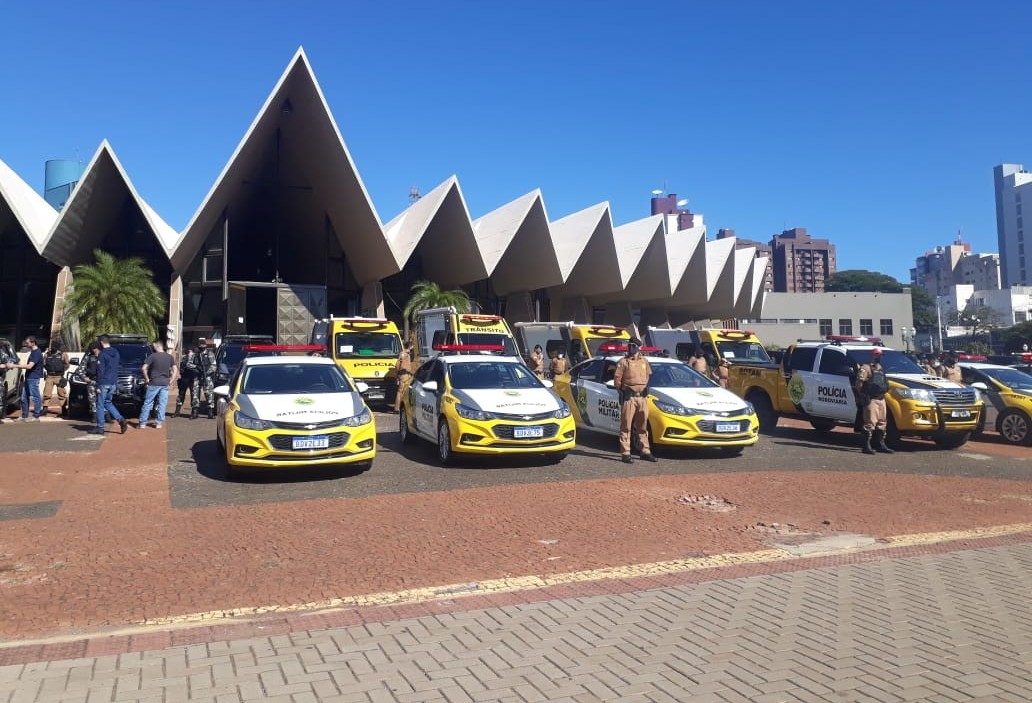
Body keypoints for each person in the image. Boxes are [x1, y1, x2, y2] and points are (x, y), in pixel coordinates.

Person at [613, 339, 657, 464]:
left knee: (642, 426)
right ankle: (626, 453)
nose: (631, 348)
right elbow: (617, 379)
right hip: (630, 397)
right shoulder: (623, 362)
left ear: (639, 347)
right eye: (630, 345)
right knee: (626, 425)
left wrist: (645, 387)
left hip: (642, 398)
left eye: (634, 346)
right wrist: (621, 391)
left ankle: (645, 451)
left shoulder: (644, 361)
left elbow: (648, 376)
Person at [855, 347, 893, 455]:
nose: (879, 357)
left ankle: (880, 444)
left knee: (882, 422)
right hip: (871, 398)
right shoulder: (866, 368)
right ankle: (866, 446)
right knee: (870, 422)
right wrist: (862, 395)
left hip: (881, 399)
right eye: (877, 355)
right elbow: (859, 382)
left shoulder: (880, 368)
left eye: (880, 355)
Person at [137, 339, 177, 429]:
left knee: (148, 402)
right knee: (162, 403)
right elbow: (175, 370)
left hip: (154, 382)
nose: (153, 347)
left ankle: (143, 422)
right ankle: (159, 423)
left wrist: (147, 379)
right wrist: (171, 380)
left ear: (158, 346)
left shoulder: (152, 356)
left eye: (154, 346)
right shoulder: (169, 357)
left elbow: (143, 368)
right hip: (165, 383)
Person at [95, 334, 128, 435]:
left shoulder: (102, 354)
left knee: (100, 404)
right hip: (113, 382)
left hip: (104, 382)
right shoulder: (116, 353)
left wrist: (98, 385)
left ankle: (100, 427)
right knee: (108, 402)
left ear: (101, 343)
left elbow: (100, 371)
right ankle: (120, 419)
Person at [7, 336, 45, 421]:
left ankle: (36, 416)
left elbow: (29, 366)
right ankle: (24, 416)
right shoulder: (33, 352)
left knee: (35, 397)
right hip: (29, 377)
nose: (26, 344)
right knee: (24, 397)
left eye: (28, 343)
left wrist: (14, 365)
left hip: (33, 378)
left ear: (33, 343)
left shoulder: (36, 353)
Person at [191, 339, 217, 419]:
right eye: (200, 346)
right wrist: (197, 368)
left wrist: (206, 372)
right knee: (195, 394)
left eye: (203, 346)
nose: (201, 347)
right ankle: (195, 412)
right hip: (197, 377)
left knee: (209, 394)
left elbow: (214, 366)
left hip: (207, 377)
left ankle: (210, 412)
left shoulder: (210, 354)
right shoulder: (195, 355)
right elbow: (189, 364)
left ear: (205, 346)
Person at [42, 341, 69, 415]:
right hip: (49, 376)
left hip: (59, 376)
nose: (53, 347)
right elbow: (44, 364)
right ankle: (45, 408)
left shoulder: (63, 354)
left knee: (61, 393)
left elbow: (67, 364)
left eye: (55, 346)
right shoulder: (47, 354)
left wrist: (61, 371)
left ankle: (63, 409)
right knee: (47, 393)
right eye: (52, 346)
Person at [175, 343, 199, 417]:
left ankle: (194, 412)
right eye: (188, 351)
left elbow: (198, 368)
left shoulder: (197, 358)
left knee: (194, 395)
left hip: (193, 379)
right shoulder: (184, 358)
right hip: (184, 378)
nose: (189, 353)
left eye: (190, 351)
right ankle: (177, 411)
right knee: (181, 394)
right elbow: (181, 368)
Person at [392, 341, 415, 412]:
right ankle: (397, 408)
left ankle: (403, 407)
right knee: (400, 391)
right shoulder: (403, 354)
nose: (412, 348)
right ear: (410, 346)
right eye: (412, 347)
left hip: (407, 375)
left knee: (405, 391)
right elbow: (397, 365)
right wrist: (397, 375)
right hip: (403, 375)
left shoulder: (407, 354)